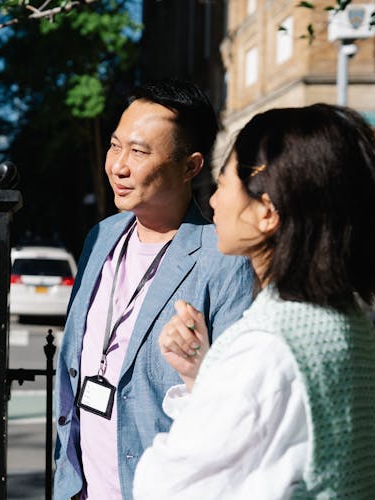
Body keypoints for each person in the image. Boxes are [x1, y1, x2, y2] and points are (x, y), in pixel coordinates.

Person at [133, 103, 375, 498]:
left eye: (222, 185)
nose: (213, 203)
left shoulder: (266, 346)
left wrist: (211, 380)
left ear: (267, 212)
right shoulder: (346, 321)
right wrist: (202, 376)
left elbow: (164, 486)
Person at [53, 79, 255, 500]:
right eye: (115, 146)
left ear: (190, 166)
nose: (119, 166)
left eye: (140, 152)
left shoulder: (222, 259)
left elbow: (237, 409)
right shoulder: (101, 238)